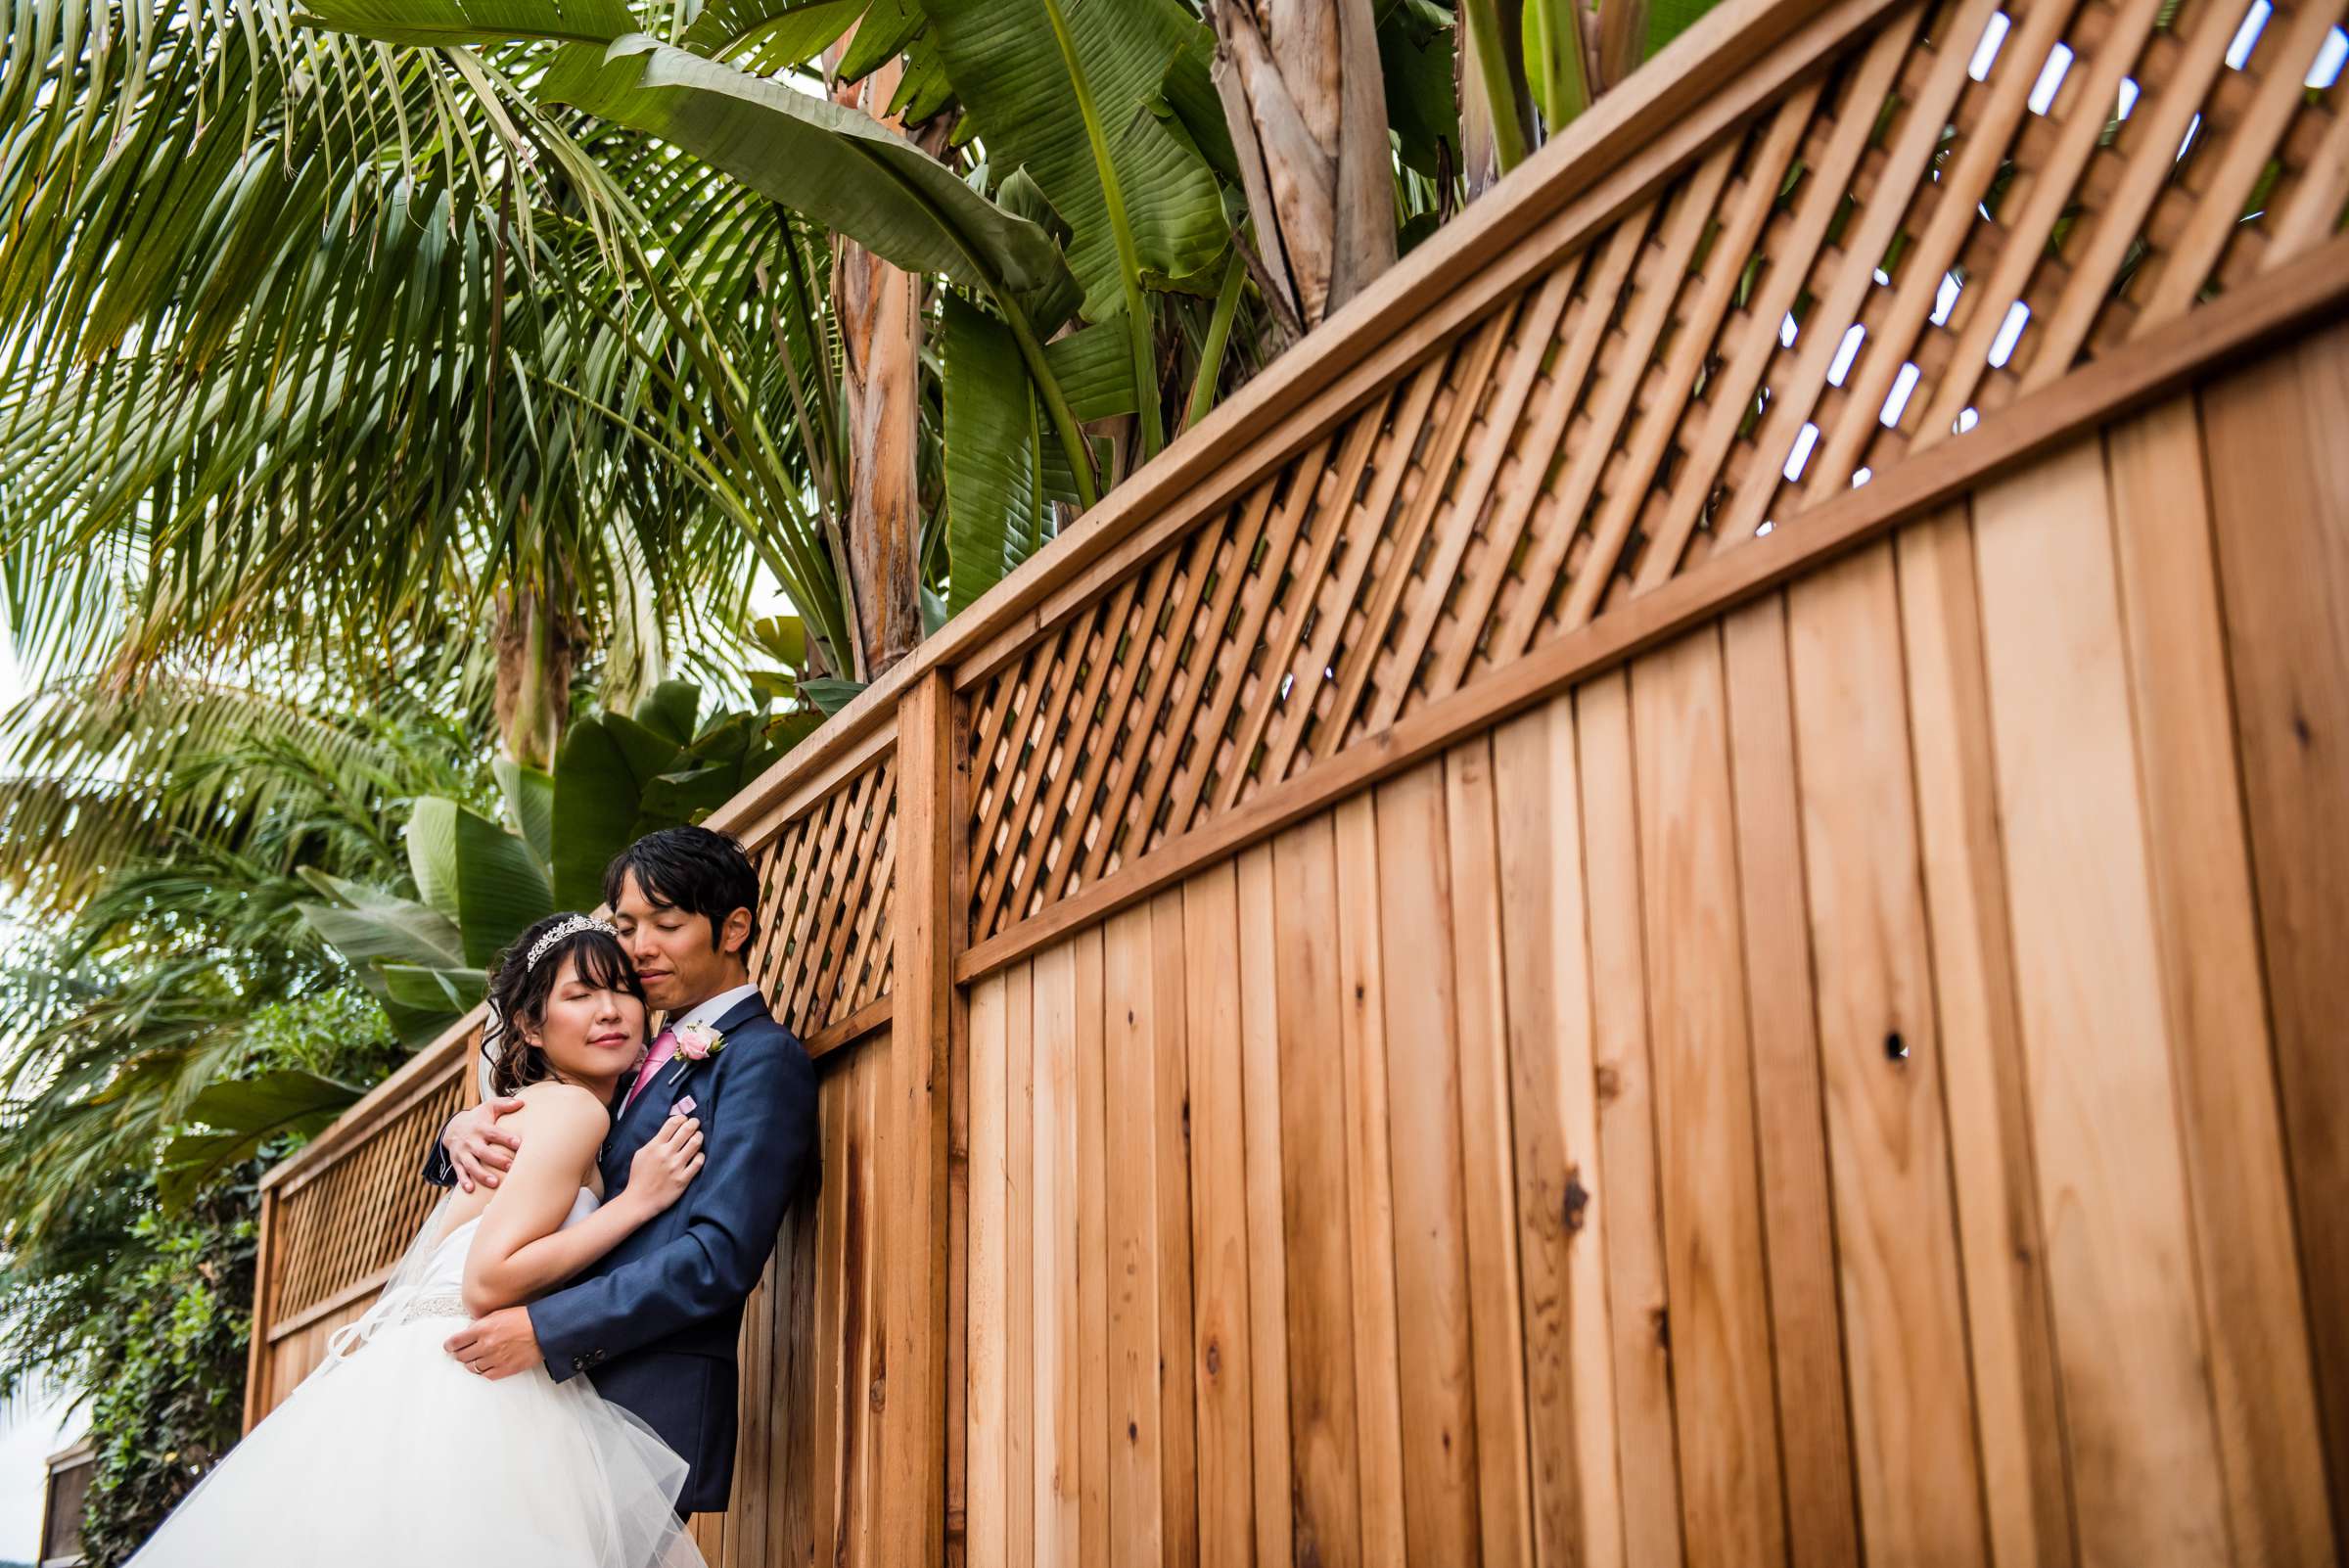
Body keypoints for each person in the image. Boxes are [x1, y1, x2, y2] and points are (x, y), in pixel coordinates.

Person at [126, 914, 713, 1567]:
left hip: (414, 1373)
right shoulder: (573, 1110)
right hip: (476, 1379)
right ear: (529, 1026)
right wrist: (634, 1204)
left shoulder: (538, 1111)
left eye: (622, 990)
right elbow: (488, 1280)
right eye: (579, 995)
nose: (609, 1011)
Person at [425, 824, 818, 1523]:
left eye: (666, 923)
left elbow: (718, 1257)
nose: (639, 948)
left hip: (641, 1397)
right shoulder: (631, 1054)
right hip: (542, 1402)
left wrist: (547, 1328)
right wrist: (457, 1131)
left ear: (733, 928)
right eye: (628, 925)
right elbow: (554, 1146)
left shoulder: (761, 1059)